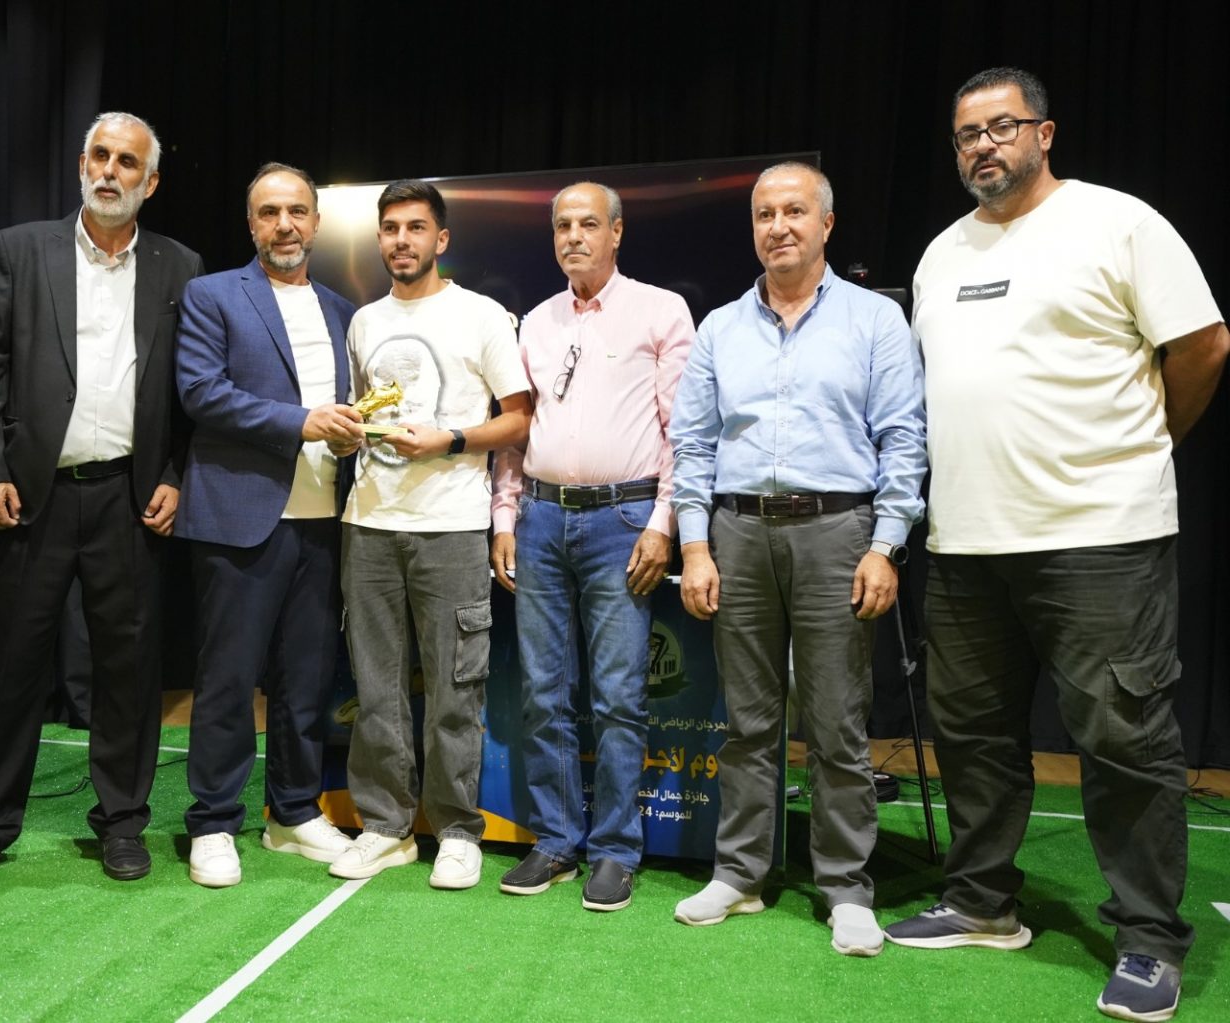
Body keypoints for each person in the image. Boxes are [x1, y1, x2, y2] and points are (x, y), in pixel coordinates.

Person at [883, 68, 1229, 1022]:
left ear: (1044, 133)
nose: (982, 146)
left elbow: (1203, 345)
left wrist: (1144, 447)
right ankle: (981, 902)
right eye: (966, 135)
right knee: (972, 734)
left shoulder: (1119, 223)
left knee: (1124, 738)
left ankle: (1149, 939)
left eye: (1001, 127)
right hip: (966, 541)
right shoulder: (942, 253)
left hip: (1100, 536)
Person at [669, 162, 926, 956]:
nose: (778, 226)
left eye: (794, 211)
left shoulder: (876, 321)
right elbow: (692, 444)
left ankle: (845, 886)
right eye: (764, 214)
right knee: (747, 720)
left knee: (837, 721)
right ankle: (740, 873)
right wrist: (694, 544)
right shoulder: (720, 328)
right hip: (738, 532)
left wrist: (886, 545)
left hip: (837, 530)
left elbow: (903, 437)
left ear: (826, 224)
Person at [0, 112, 203, 887]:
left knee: (129, 670)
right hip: (31, 495)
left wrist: (176, 474)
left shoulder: (180, 266)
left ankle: (122, 822)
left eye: (127, 162)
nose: (110, 171)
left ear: (150, 182)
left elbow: (191, 390)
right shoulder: (19, 249)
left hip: (131, 496)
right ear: (82, 164)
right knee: (8, 667)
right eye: (100, 155)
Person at [490, 181, 693, 911]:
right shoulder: (536, 323)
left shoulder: (661, 311)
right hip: (541, 520)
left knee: (617, 698)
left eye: (588, 224)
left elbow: (683, 432)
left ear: (617, 232)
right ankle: (554, 841)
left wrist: (663, 523)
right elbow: (516, 431)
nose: (573, 237)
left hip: (623, 521)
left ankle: (614, 850)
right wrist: (504, 517)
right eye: (562, 226)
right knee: (543, 695)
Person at [328, 180, 531, 889]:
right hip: (369, 524)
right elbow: (359, 413)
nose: (401, 240)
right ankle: (385, 827)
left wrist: (450, 439)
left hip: (451, 526)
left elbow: (519, 418)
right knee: (375, 688)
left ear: (441, 239)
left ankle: (456, 830)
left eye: (416, 227)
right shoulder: (364, 321)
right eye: (390, 228)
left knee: (454, 689)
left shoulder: (481, 315)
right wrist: (346, 434)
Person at [174, 162, 362, 888]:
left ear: (316, 221)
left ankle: (292, 810)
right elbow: (201, 391)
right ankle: (213, 820)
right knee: (228, 679)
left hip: (324, 520)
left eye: (296, 211)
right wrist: (302, 422)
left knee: (306, 680)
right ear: (250, 223)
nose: (284, 225)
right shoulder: (213, 294)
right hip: (239, 517)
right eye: (269, 212)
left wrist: (347, 436)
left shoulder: (344, 310)